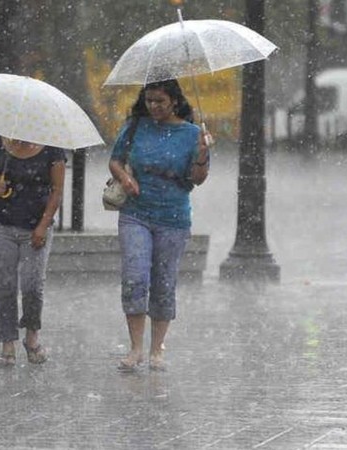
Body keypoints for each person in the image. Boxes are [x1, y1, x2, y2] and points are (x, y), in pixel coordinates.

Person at [108, 78, 211, 371]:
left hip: (173, 217)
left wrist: (202, 155)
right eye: (150, 100)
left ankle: (157, 350)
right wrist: (126, 179)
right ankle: (136, 348)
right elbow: (115, 161)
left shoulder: (193, 134)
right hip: (135, 213)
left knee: (164, 281)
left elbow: (197, 179)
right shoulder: (136, 125)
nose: (154, 106)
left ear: (174, 102)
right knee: (134, 276)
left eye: (160, 101)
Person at [0, 135, 66, 367]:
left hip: (36, 226)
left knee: (33, 284)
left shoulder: (52, 149)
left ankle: (32, 338)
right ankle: (7, 344)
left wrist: (43, 225)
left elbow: (57, 190)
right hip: (1, 224)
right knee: (5, 284)